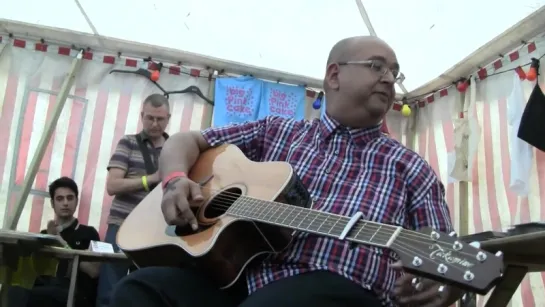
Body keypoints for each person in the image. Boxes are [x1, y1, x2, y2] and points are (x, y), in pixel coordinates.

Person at [109, 36, 461, 307]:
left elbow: (440, 250)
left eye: (394, 71)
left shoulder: (412, 168)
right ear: (334, 75)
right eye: (376, 66)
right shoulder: (276, 131)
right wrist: (173, 182)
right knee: (139, 290)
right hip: (239, 282)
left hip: (338, 290)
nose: (389, 79)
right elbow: (185, 141)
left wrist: (440, 280)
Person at [96, 93, 171, 307]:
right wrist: (151, 179)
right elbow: (113, 185)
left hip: (157, 231)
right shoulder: (128, 142)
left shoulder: (176, 148)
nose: (155, 123)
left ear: (169, 118)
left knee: (147, 290)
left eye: (160, 119)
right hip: (121, 225)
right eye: (150, 118)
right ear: (141, 116)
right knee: (109, 288)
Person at [9, 177, 101, 307]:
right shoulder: (44, 235)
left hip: (74, 293)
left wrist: (59, 241)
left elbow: (94, 271)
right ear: (52, 203)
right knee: (14, 290)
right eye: (60, 199)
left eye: (70, 198)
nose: (65, 203)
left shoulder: (88, 232)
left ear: (76, 201)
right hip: (46, 287)